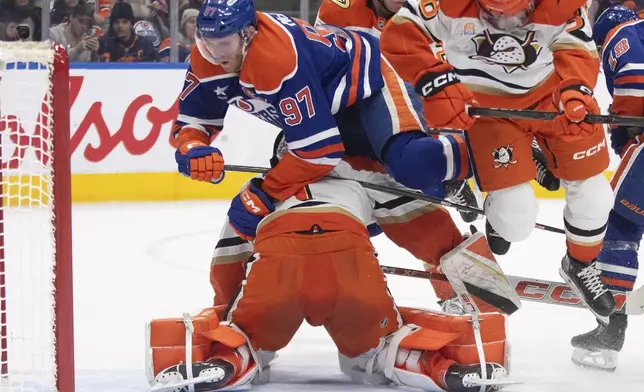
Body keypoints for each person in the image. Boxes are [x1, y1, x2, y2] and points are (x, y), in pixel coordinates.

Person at [171, 0, 494, 316]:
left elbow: (319, 152)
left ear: (248, 34)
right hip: (325, 118)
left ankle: (494, 152)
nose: (216, 54)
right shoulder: (208, 57)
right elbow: (191, 123)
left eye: (223, 43)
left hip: (370, 85)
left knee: (411, 165)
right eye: (206, 42)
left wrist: (263, 193)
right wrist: (193, 149)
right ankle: (228, 311)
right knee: (362, 189)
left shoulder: (277, 57)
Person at [150, 155, 510, 392]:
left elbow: (228, 258)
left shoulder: (257, 190)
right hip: (348, 257)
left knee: (247, 338)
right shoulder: (366, 174)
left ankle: (229, 359)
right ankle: (436, 366)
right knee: (380, 349)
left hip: (277, 263)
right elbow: (433, 235)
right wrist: (477, 292)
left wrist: (232, 320)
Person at [379, 0, 616, 322]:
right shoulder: (442, 5)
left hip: (553, 96)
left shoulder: (562, 4)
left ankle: (580, 264)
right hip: (489, 109)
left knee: (595, 195)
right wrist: (434, 83)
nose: (506, 21)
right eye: (493, 13)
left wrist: (576, 94)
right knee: (515, 220)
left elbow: (577, 50)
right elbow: (400, 34)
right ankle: (503, 203)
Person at [316, 0, 561, 256]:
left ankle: (496, 162)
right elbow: (325, 76)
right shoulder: (339, 9)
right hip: (361, 109)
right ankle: (469, 173)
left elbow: (458, 83)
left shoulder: (435, 12)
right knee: (397, 187)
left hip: (417, 109)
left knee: (410, 173)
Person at [569, 4, 641, 372]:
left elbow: (635, 80)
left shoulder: (622, 26)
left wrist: (623, 128)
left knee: (619, 225)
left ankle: (609, 331)